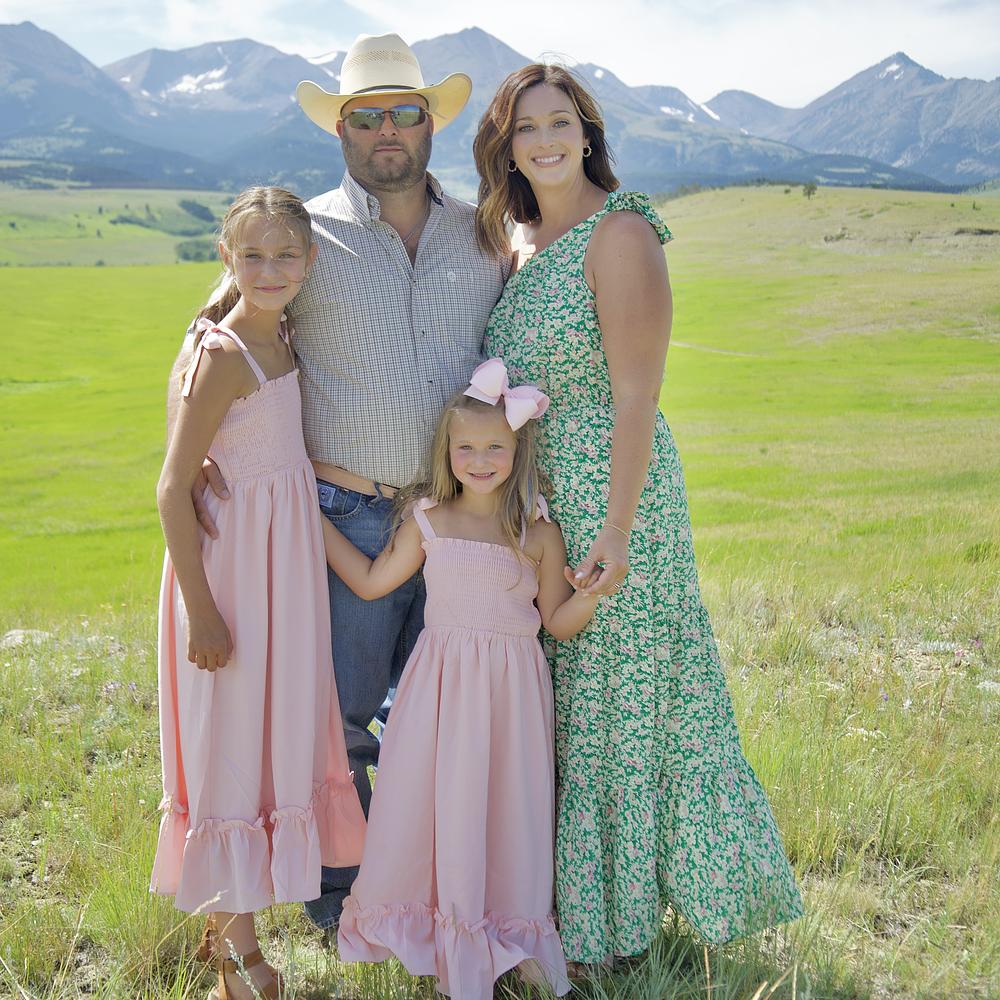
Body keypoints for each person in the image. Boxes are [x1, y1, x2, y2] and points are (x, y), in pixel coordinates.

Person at [475, 65, 803, 971]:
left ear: (587, 133)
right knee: (572, 717)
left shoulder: (618, 233)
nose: (544, 140)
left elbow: (635, 397)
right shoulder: (521, 241)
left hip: (616, 500)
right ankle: (571, 922)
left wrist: (616, 532)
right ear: (506, 147)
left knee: (623, 709)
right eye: (525, 127)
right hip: (542, 506)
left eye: (560, 122)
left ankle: (613, 939)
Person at [183, 33, 508, 931]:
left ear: (431, 123)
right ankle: (341, 904)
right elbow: (214, 327)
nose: (386, 131)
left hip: (455, 517)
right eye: (366, 118)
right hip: (345, 513)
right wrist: (197, 446)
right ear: (341, 130)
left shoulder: (481, 233)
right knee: (345, 720)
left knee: (446, 719)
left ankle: (434, 893)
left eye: (404, 112)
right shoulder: (305, 237)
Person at [151, 186, 366, 1000]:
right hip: (231, 576)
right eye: (252, 255)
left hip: (283, 575)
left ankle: (231, 929)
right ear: (226, 258)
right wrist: (202, 610)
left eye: (285, 255)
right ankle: (242, 964)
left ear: (309, 262)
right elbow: (172, 487)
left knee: (269, 742)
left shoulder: (282, 337)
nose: (269, 269)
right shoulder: (223, 353)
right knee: (231, 750)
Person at [330, 361, 599, 1000]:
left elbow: (558, 622)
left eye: (495, 448)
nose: (480, 461)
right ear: (447, 451)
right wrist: (309, 521)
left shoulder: (537, 533)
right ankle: (442, 928)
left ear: (518, 450)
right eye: (466, 448)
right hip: (442, 694)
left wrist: (593, 592)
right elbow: (370, 581)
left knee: (506, 806)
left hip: (511, 699)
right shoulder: (430, 520)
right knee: (437, 801)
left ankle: (500, 927)